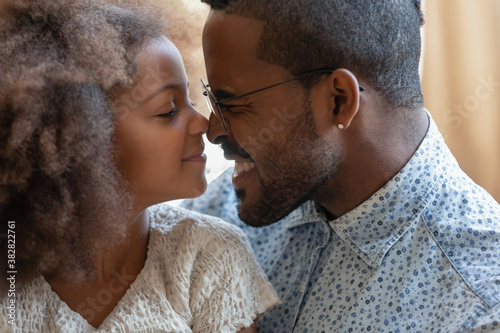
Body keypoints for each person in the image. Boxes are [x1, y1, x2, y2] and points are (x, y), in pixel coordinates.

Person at [181, 0, 500, 332]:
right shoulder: (219, 215)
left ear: (339, 100)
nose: (213, 129)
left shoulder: (479, 307)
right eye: (210, 98)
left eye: (232, 102)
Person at [0, 0, 279, 332]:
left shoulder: (210, 258)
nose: (203, 124)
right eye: (168, 111)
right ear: (81, 141)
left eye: (190, 99)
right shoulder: (12, 268)